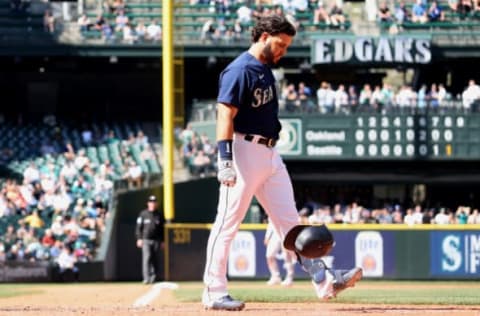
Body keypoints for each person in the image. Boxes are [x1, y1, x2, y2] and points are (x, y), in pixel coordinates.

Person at [201, 14, 362, 311]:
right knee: (227, 223)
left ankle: (326, 283)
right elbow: (225, 115)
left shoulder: (264, 70)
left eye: (287, 46)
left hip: (270, 154)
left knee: (291, 226)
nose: (283, 51)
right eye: (281, 44)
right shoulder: (240, 70)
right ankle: (214, 291)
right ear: (264, 36)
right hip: (244, 151)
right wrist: (224, 159)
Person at [135, 195, 165, 284]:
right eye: (151, 202)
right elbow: (138, 227)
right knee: (147, 258)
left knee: (155, 259)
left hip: (156, 240)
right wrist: (139, 238)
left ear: (156, 204)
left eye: (154, 202)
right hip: (146, 240)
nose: (152, 204)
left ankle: (153, 277)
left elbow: (162, 229)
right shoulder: (143, 214)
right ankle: (146, 278)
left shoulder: (159, 215)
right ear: (148, 203)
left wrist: (163, 241)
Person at [264, 220, 295, 286]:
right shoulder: (271, 210)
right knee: (269, 255)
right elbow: (271, 223)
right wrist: (267, 236)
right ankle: (275, 277)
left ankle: (289, 278)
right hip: (275, 234)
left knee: (287, 255)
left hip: (286, 231)